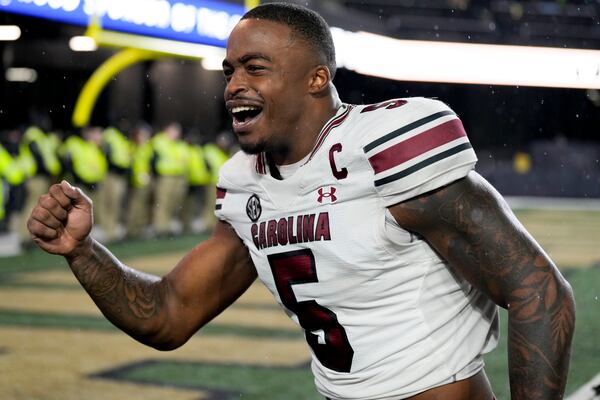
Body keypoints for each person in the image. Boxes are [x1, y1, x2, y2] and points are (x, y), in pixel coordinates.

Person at [27, 3, 575, 400]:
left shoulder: (385, 144)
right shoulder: (245, 184)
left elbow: (539, 292)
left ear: (318, 78)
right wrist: (83, 250)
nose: (234, 84)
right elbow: (167, 316)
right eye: (229, 71)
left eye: (255, 67)